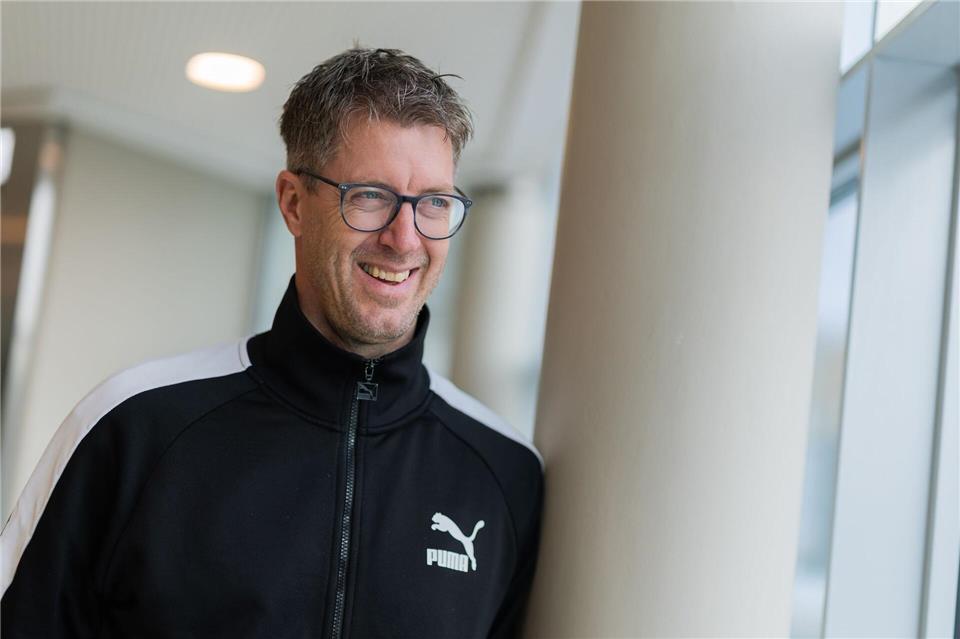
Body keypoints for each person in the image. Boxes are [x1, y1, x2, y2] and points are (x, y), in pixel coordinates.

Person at [1, 47, 544, 638]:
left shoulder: (504, 474)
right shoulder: (134, 427)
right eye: (369, 196)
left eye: (434, 203)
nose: (404, 239)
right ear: (293, 203)